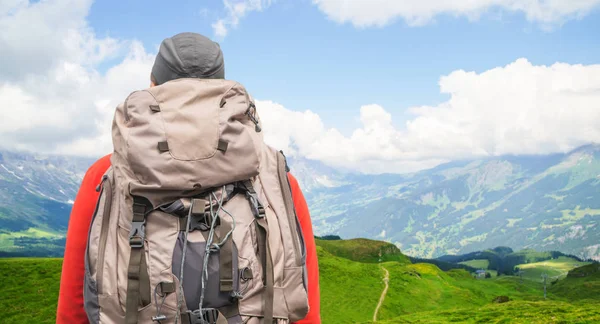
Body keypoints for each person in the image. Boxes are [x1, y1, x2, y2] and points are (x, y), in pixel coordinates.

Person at [56, 32, 321, 324]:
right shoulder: (271, 172)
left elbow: (76, 305)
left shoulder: (107, 173)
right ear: (221, 90)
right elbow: (300, 293)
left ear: (153, 86)